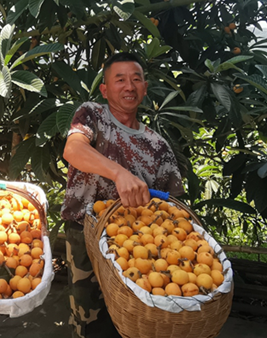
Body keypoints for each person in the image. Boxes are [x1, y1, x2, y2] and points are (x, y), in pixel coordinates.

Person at [60, 52, 184, 338]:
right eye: (120, 80)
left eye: (136, 79)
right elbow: (73, 150)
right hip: (85, 235)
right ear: (105, 89)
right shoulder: (92, 114)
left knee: (134, 322)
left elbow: (174, 206)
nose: (129, 86)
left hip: (137, 245)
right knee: (89, 321)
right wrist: (119, 174)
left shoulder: (158, 145)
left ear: (145, 88)